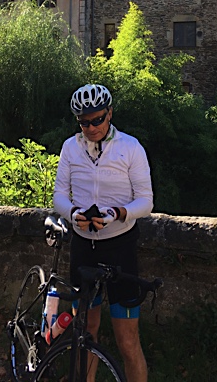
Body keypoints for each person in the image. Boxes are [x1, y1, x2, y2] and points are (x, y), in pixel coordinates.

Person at [53, 83, 153, 382]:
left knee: (127, 341)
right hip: (84, 248)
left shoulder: (130, 147)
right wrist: (72, 214)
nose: (92, 127)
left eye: (98, 119)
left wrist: (117, 214)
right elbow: (59, 194)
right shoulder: (70, 148)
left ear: (110, 114)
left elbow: (146, 201)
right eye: (84, 122)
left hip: (120, 248)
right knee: (86, 334)